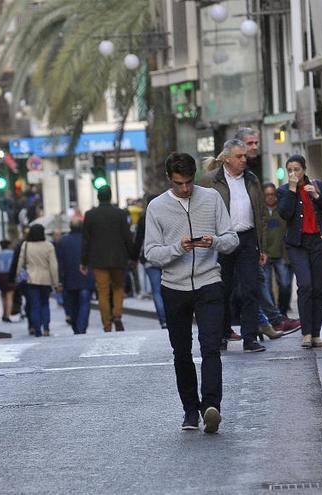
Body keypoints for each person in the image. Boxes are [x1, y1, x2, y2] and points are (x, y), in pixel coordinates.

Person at [143, 152, 239, 433]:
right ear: (169, 180)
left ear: (195, 177)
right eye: (178, 183)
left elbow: (232, 240)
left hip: (209, 282)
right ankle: (189, 411)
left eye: (188, 182)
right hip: (174, 287)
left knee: (211, 347)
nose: (184, 189)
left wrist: (215, 242)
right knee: (181, 352)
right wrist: (177, 248)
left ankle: (211, 407)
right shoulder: (156, 208)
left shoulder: (210, 199)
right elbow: (151, 252)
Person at [202, 138, 275, 351]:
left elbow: (261, 214)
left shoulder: (251, 179)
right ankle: (223, 333)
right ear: (226, 159)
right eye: (239, 156)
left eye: (244, 156)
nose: (244, 159)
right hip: (222, 240)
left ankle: (250, 337)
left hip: (248, 239)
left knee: (250, 289)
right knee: (222, 289)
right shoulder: (210, 181)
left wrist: (262, 247)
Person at [277, 155, 322, 349]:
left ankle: (316, 334)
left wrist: (317, 197)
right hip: (297, 244)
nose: (293, 173)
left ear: (304, 169)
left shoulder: (317, 185)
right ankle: (306, 333)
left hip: (318, 242)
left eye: (297, 169)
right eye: (290, 170)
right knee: (305, 286)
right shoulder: (284, 191)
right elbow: (285, 214)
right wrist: (293, 191)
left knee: (318, 288)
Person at [80, 185, 135, 332]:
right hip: (118, 258)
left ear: (98, 197)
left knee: (103, 292)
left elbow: (86, 240)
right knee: (118, 288)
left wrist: (84, 261)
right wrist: (132, 256)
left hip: (98, 260)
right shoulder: (120, 214)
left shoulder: (90, 215)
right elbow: (127, 237)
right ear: (110, 197)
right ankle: (117, 315)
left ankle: (107, 324)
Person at [262, 183, 298, 327]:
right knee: (267, 287)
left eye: (272, 194)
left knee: (285, 284)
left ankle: (283, 313)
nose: (270, 197)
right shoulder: (260, 211)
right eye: (267, 194)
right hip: (264, 255)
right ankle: (274, 316)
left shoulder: (282, 210)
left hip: (281, 254)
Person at [18, 224, 60, 336]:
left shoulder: (26, 245)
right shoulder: (48, 246)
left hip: (31, 279)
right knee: (45, 304)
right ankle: (46, 328)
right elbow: (53, 266)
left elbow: (20, 263)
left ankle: (37, 329)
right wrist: (55, 282)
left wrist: (18, 276)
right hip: (45, 280)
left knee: (34, 305)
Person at [134, 194, 167, 329]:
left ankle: (163, 320)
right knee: (168, 289)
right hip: (166, 257)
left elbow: (138, 240)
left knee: (156, 290)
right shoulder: (166, 215)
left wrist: (134, 256)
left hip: (150, 258)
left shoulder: (143, 219)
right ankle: (170, 317)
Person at [57, 218, 92, 334]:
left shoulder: (63, 241)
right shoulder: (87, 240)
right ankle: (81, 328)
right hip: (85, 277)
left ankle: (77, 328)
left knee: (72, 306)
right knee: (84, 304)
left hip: (69, 279)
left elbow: (60, 263)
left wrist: (60, 280)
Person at [0, 240, 16, 323]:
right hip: (10, 274)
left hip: (2, 275)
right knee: (9, 295)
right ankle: (7, 315)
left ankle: (4, 313)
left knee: (3, 295)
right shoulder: (12, 253)